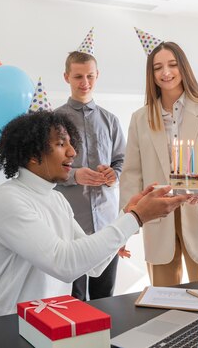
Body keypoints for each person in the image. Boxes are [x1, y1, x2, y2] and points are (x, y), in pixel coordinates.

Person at [0, 111, 188, 318]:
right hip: (8, 325)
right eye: (61, 144)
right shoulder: (6, 199)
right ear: (33, 155)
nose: (72, 152)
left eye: (71, 144)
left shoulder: (57, 200)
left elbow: (96, 266)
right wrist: (136, 217)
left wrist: (126, 214)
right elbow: (65, 264)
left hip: (52, 323)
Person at [119, 29, 198, 287]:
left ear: (183, 67)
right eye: (158, 67)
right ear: (151, 75)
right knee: (163, 299)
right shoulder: (140, 118)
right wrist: (123, 227)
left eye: (172, 65)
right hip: (158, 218)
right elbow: (131, 174)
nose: (166, 72)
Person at [54, 31, 126, 301]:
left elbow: (122, 160)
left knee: (105, 299)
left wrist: (113, 174)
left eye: (90, 76)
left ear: (97, 76)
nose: (85, 82)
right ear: (66, 78)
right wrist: (75, 175)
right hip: (70, 227)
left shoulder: (111, 120)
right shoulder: (53, 122)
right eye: (78, 76)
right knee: (72, 300)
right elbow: (45, 172)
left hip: (107, 226)